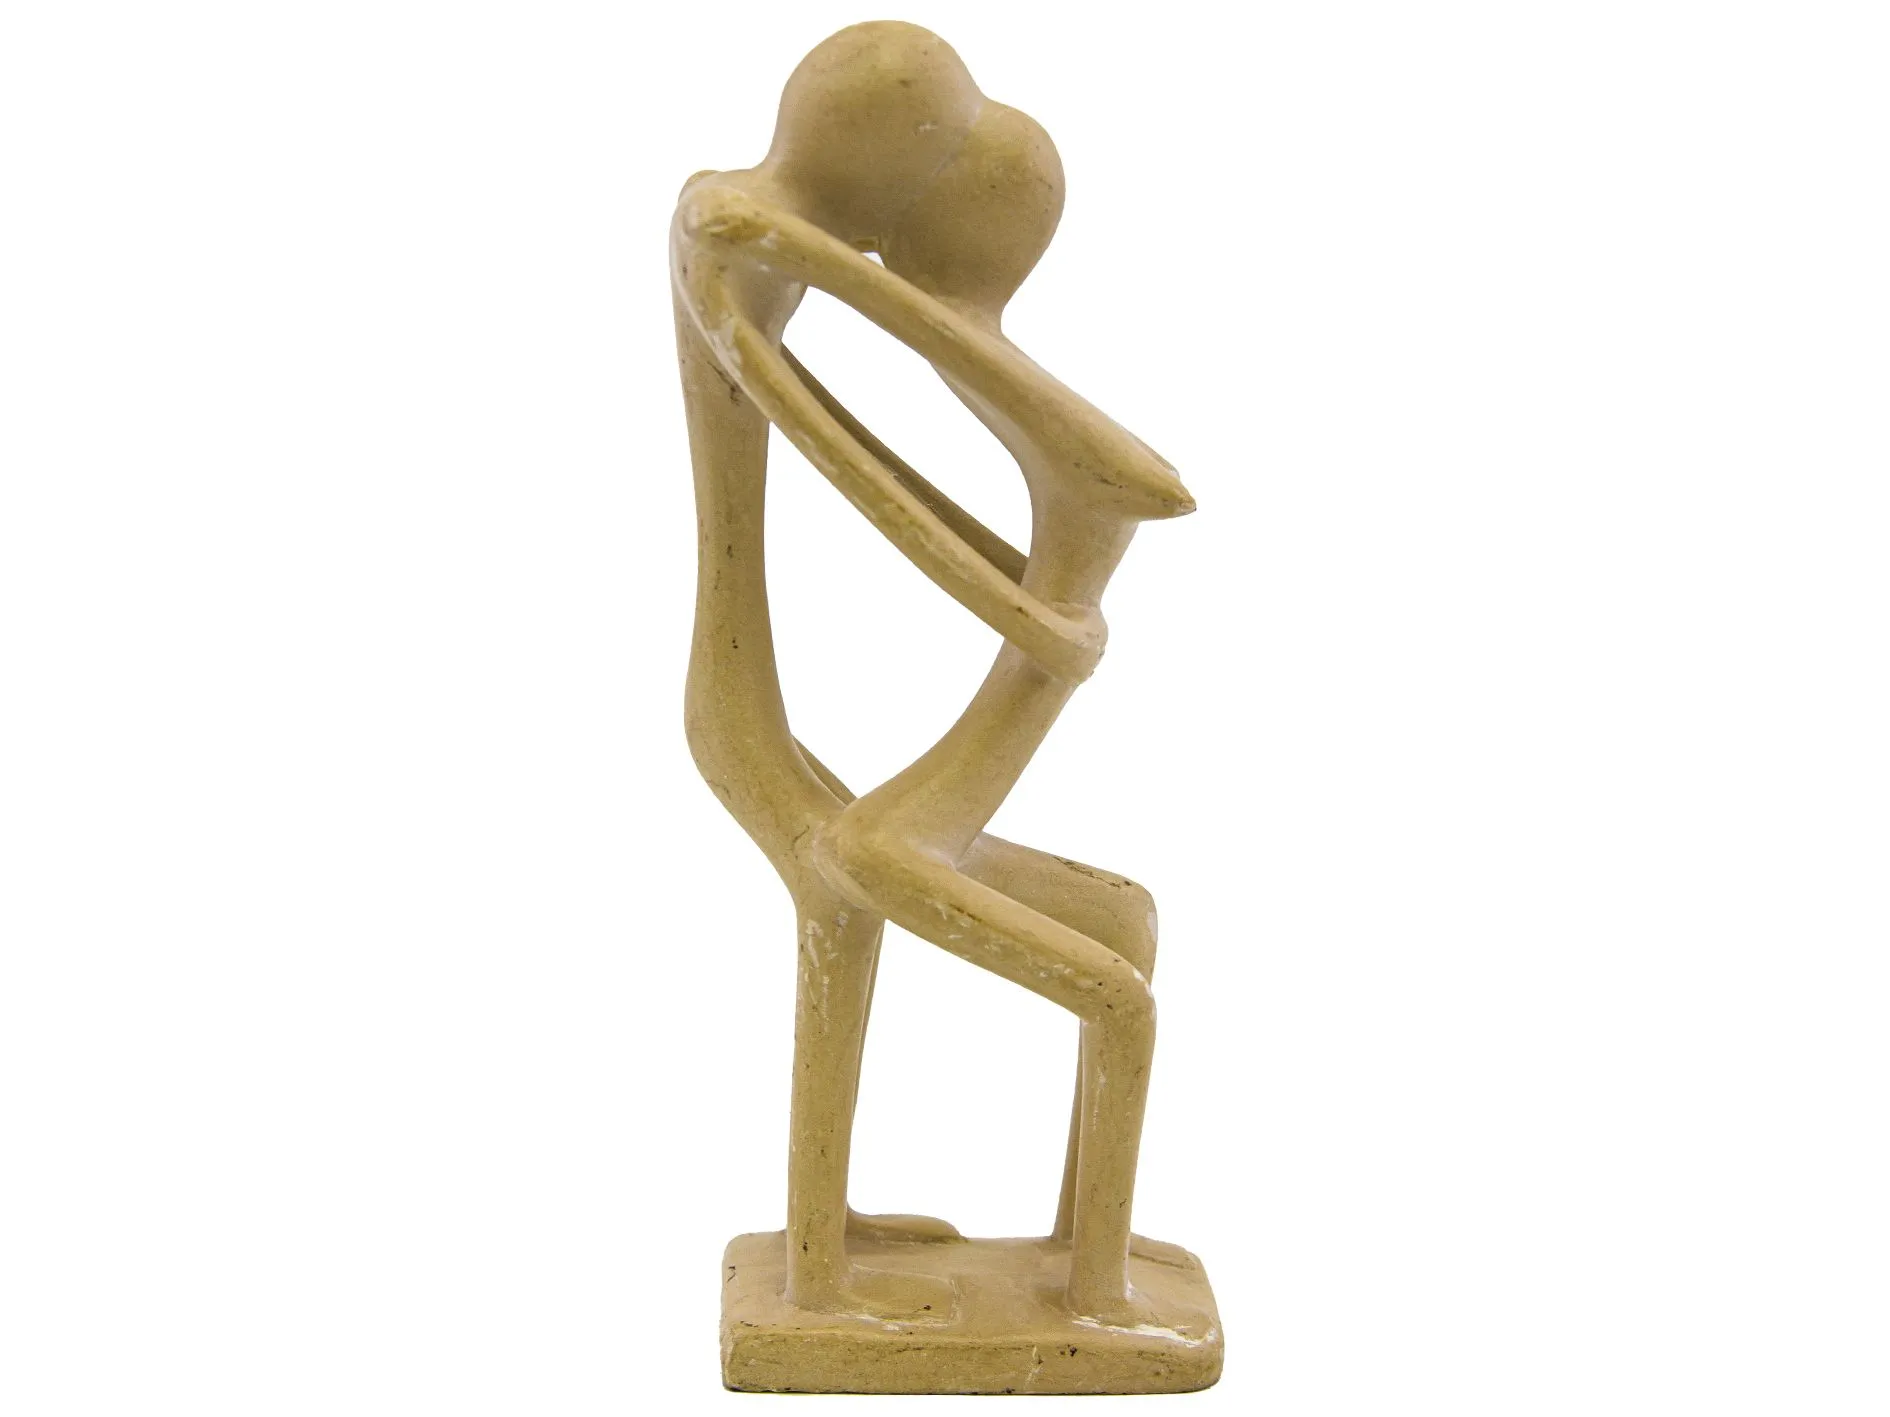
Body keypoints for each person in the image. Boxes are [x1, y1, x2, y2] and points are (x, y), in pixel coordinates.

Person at [672, 21, 1194, 1325]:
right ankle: (1079, 1299)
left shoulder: (746, 227)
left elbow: (852, 450)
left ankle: (824, 1244)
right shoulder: (729, 225)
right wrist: (1041, 621)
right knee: (1106, 999)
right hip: (743, 698)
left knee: (1040, 917)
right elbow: (832, 442)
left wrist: (1031, 608)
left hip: (782, 723)